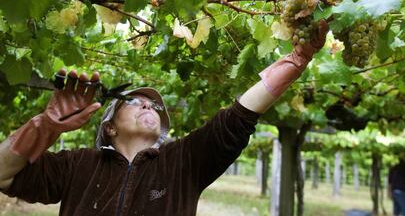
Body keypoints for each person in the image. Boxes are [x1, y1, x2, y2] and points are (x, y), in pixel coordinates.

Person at [0, 20, 328, 216]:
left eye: (154, 106)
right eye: (135, 102)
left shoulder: (183, 161)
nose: (149, 107)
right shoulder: (76, 166)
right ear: (109, 126)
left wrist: (295, 62)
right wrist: (45, 126)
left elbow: (238, 117)